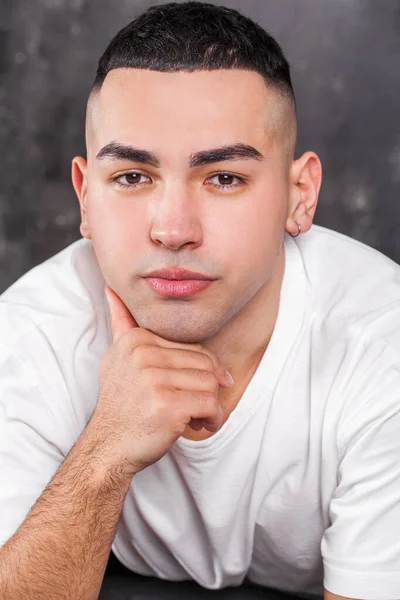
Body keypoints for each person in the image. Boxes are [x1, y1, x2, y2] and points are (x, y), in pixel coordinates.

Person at [0, 2, 399, 599]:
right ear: (86, 197)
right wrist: (105, 451)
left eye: (224, 178)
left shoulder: (380, 341)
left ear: (300, 195)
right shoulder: (31, 334)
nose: (174, 229)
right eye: (133, 177)